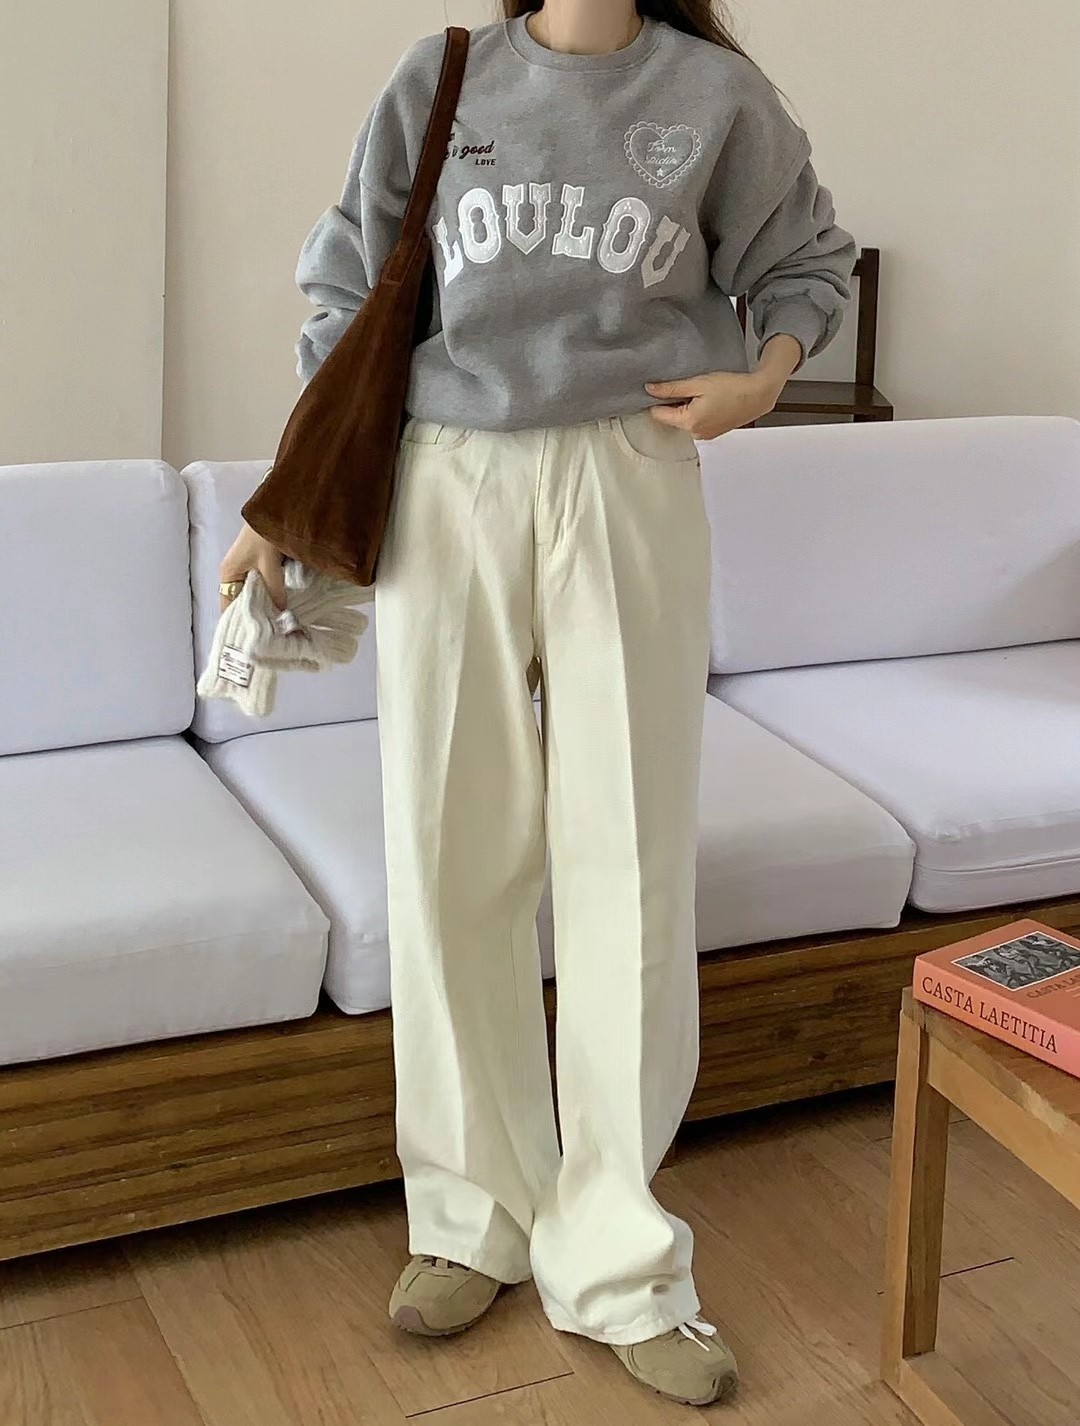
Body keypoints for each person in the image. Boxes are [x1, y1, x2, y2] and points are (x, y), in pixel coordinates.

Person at [219, 0, 856, 1407]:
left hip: (631, 471)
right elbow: (349, 285)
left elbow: (808, 260)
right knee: (450, 851)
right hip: (448, 478)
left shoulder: (712, 96)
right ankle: (471, 1215)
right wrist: (284, 501)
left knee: (629, 863)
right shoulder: (444, 77)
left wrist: (759, 384)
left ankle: (620, 1258)